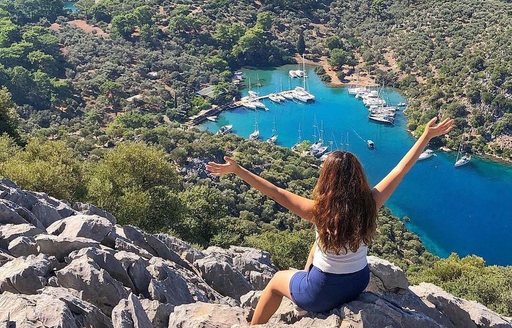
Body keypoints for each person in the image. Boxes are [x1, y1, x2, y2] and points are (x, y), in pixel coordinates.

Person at [206, 117, 454, 325]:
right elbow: (401, 169)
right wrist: (425, 137)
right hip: (358, 282)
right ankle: (306, 278)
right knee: (317, 243)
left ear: (327, 179)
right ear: (358, 176)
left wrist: (237, 170)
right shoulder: (371, 202)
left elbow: (275, 192)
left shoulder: (319, 211)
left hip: (322, 292)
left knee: (274, 282)